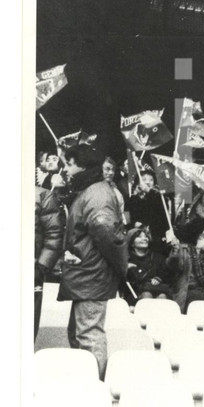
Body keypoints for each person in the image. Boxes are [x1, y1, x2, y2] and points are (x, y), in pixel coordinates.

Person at [58, 144, 129, 379]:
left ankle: (94, 386)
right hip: (88, 275)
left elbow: (106, 233)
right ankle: (86, 383)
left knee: (88, 336)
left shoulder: (96, 194)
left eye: (70, 164)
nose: (66, 169)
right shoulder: (93, 191)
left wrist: (120, 268)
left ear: (84, 167)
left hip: (91, 276)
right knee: (79, 334)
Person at [34, 184, 65, 340]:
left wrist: (41, 266)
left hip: (31, 270)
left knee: (27, 321)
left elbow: (54, 234)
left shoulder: (42, 195)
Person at [124, 169, 170, 255]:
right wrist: (134, 224)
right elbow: (127, 221)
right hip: (138, 240)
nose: (148, 182)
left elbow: (163, 218)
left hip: (156, 240)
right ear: (138, 183)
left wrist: (148, 191)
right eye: (144, 179)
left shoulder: (160, 198)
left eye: (151, 180)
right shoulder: (131, 200)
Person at [123, 225, 171, 304]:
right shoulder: (127, 260)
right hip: (136, 296)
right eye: (139, 237)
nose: (144, 238)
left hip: (157, 291)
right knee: (146, 295)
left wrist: (158, 278)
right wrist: (125, 268)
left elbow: (166, 274)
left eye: (146, 236)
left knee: (162, 297)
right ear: (132, 243)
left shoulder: (157, 257)